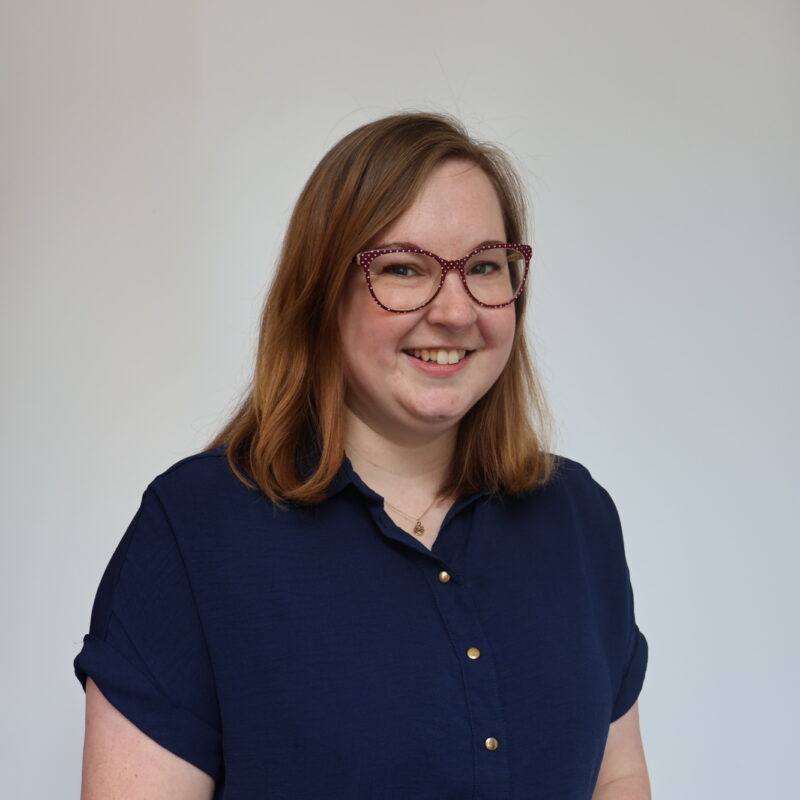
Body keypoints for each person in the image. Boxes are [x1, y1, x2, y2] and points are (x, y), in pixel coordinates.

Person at [74, 111, 650, 799]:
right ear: (321, 292)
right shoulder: (195, 532)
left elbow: (617, 778)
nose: (456, 311)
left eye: (485, 267)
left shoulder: (579, 519)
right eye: (403, 268)